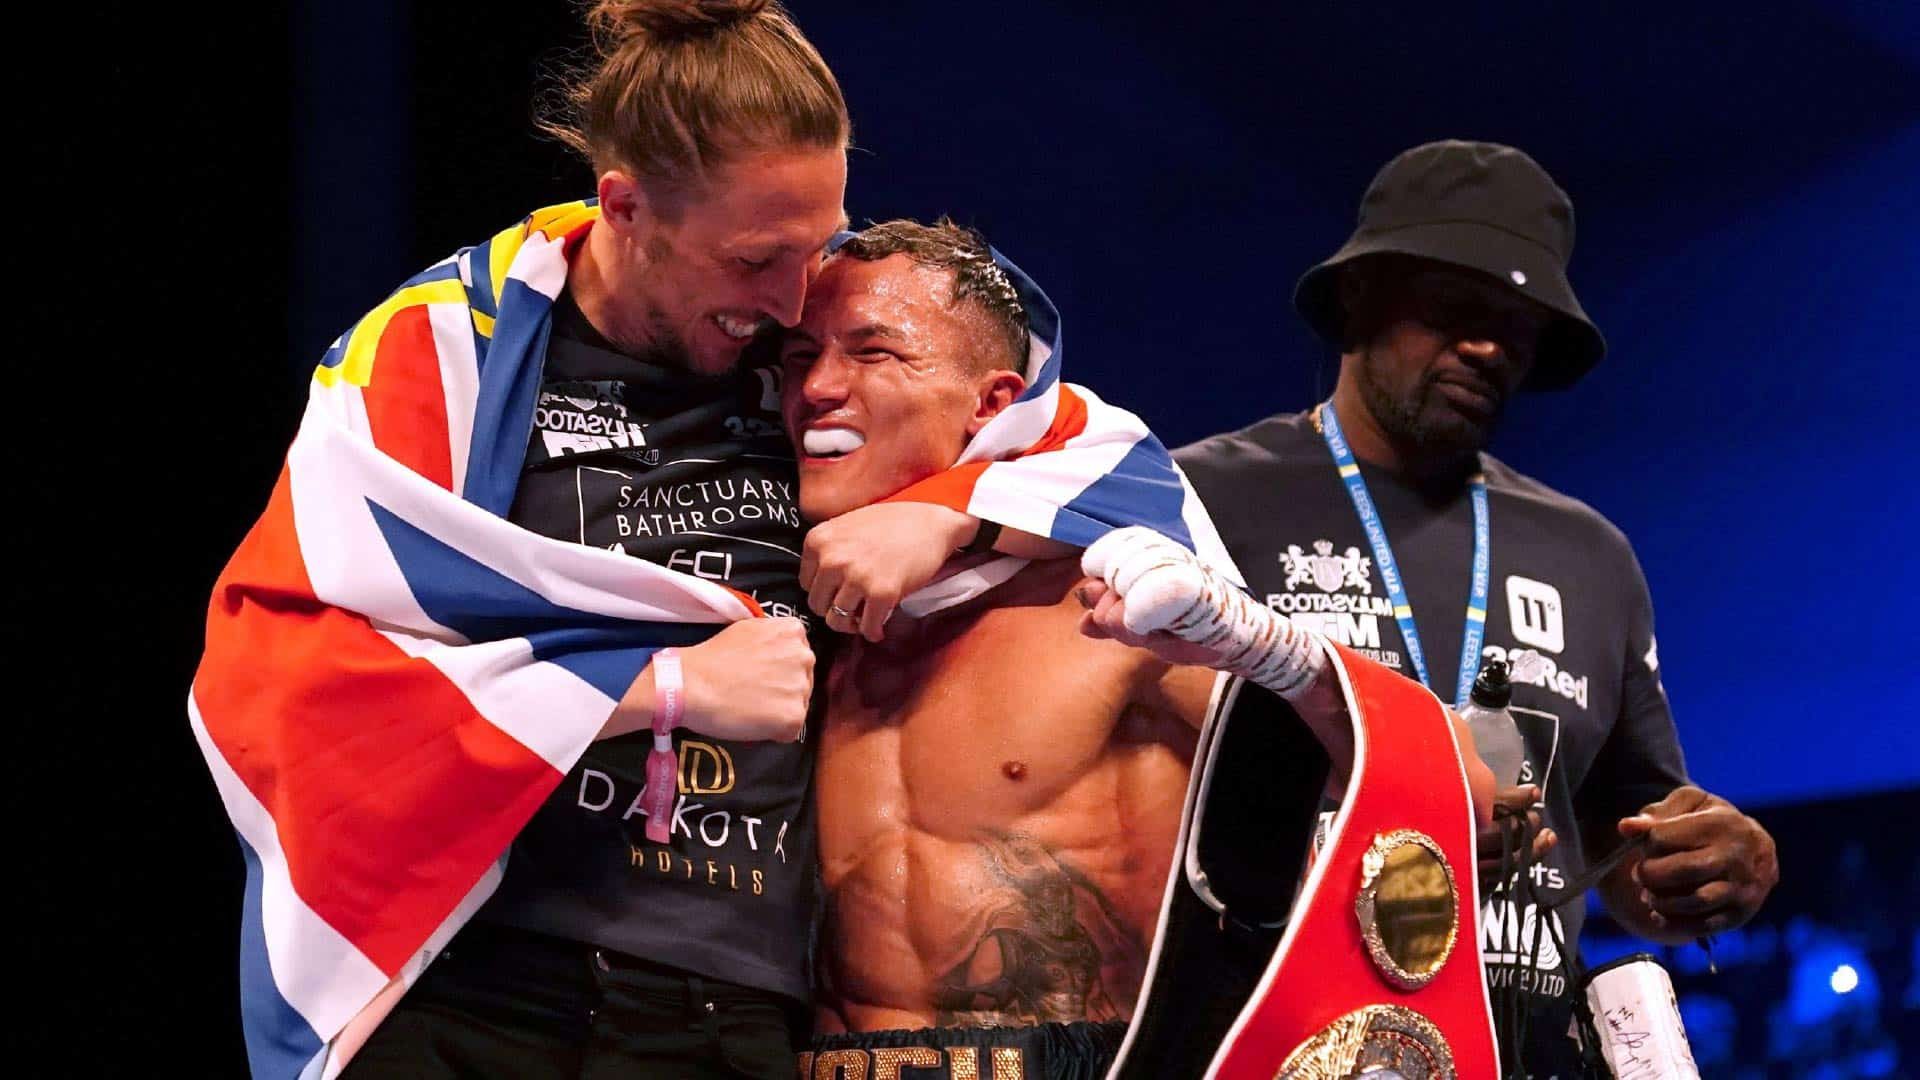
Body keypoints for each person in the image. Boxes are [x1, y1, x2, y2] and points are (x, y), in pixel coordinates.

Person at [190, 3, 1036, 1077]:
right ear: (625, 207)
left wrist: (947, 510)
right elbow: (274, 681)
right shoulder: (440, 352)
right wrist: (659, 689)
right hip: (474, 984)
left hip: (728, 1010)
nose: (789, 303)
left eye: (816, 248)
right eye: (753, 260)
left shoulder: (819, 362)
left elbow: (1097, 456)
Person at [779, 219, 1498, 1078]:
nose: (818, 386)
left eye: (873, 353)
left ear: (993, 403)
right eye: (797, 357)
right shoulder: (781, 621)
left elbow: (1460, 787)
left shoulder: (1113, 609)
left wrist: (1252, 642)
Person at [1174, 139, 1780, 1073]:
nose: (1490, 347)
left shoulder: (1590, 553)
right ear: (1356, 303)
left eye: (1521, 326)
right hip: (1265, 1039)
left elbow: (1628, 833)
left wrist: (1702, 863)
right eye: (1454, 309)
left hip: (1525, 1050)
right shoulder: (1199, 504)